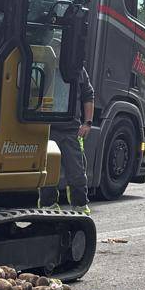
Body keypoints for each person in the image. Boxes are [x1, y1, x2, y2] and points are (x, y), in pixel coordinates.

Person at [44, 65, 95, 211]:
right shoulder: (45, 58)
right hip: (47, 128)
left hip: (71, 130)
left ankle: (79, 207)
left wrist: (88, 123)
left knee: (77, 173)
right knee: (47, 173)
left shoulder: (77, 68)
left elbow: (88, 95)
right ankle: (48, 208)